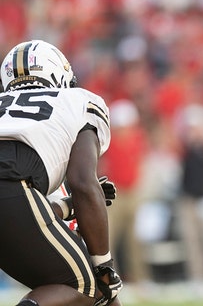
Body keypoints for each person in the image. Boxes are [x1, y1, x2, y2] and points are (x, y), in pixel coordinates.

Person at [0, 39, 123, 306]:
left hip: (12, 192)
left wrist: (67, 207)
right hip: (10, 188)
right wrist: (105, 265)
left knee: (59, 285)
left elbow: (27, 217)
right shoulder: (76, 100)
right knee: (84, 287)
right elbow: (82, 182)